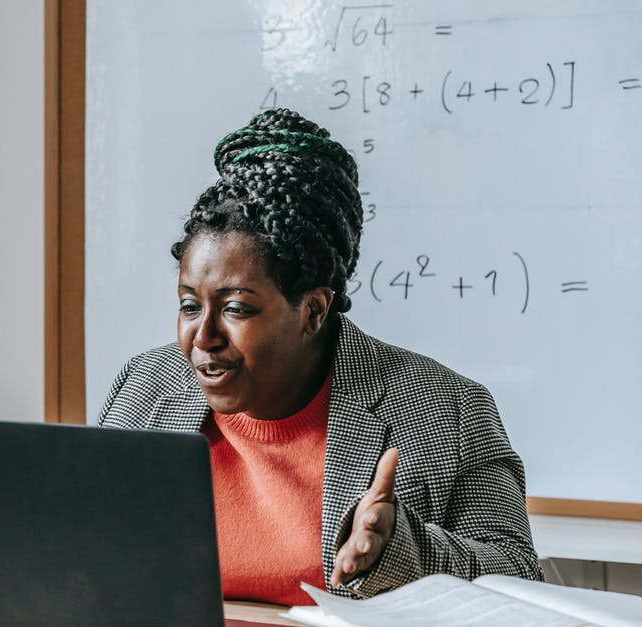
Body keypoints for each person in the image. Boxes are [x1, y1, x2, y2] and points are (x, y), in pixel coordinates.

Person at [98, 108, 542, 605]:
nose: (204, 337)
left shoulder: (446, 408)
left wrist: (401, 549)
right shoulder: (144, 389)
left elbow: (520, 581)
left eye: (237, 309)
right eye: (188, 305)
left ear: (313, 309)